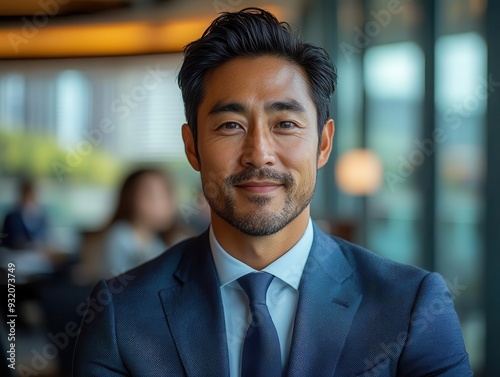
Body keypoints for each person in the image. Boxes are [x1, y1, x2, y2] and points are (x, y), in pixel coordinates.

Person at [73, 8, 472, 376]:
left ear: (323, 145)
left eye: (285, 124)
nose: (259, 154)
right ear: (192, 147)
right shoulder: (120, 313)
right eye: (230, 125)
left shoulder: (411, 307)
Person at [100, 168, 176, 277]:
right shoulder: (120, 236)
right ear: (131, 199)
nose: (164, 204)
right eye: (152, 196)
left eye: (167, 194)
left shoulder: (156, 241)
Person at [1, 179, 50, 251]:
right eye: (28, 195)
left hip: (35, 252)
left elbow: (45, 238)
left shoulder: (40, 216)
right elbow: (15, 242)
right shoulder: (12, 217)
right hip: (16, 253)